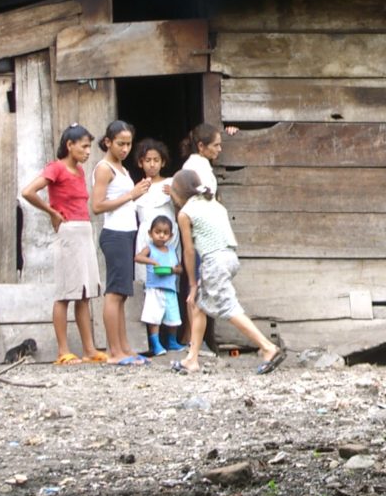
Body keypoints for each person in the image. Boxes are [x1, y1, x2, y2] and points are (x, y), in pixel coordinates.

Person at [170, 170, 285, 375]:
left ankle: (267, 347)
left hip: (214, 261)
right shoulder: (214, 204)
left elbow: (189, 251)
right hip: (230, 258)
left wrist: (193, 284)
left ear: (178, 192)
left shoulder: (185, 213)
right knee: (199, 307)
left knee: (227, 307)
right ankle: (192, 359)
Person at [19, 124, 106, 364]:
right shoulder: (56, 168)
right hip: (69, 233)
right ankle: (63, 350)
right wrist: (51, 212)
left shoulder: (79, 171)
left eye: (89, 146)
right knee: (65, 293)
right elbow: (28, 192)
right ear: (70, 145)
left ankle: (89, 349)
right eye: (84, 146)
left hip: (84, 230)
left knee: (84, 293)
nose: (88, 151)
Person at [90, 120, 150, 365]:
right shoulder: (104, 168)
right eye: (120, 144)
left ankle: (125, 348)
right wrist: (131, 195)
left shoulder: (122, 169)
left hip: (126, 233)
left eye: (128, 144)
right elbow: (97, 206)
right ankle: (114, 352)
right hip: (114, 234)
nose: (125, 149)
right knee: (114, 293)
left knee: (123, 294)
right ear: (108, 142)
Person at [134, 215, 183, 357]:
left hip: (170, 289)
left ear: (171, 235)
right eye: (157, 232)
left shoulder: (172, 250)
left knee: (173, 317)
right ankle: (155, 344)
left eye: (165, 233)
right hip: (154, 288)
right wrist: (153, 262)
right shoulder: (149, 249)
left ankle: (172, 342)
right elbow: (138, 257)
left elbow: (180, 268)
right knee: (154, 318)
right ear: (150, 233)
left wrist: (174, 270)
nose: (161, 235)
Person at [179, 121, 224, 193]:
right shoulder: (193, 167)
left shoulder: (201, 164)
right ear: (201, 146)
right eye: (215, 145)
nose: (219, 149)